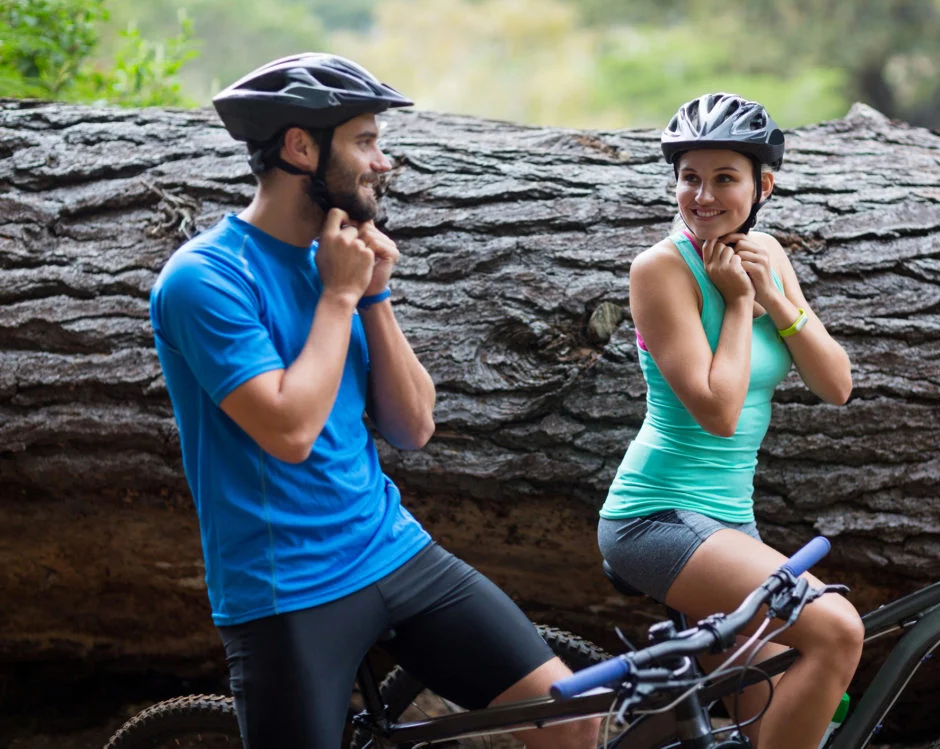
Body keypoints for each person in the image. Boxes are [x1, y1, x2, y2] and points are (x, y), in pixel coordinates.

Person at [149, 53, 597, 749]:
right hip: (287, 588)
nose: (382, 162)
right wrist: (337, 296)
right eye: (364, 140)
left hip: (390, 549)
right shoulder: (204, 280)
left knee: (571, 718)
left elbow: (413, 425)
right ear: (301, 147)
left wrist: (375, 295)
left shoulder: (341, 260)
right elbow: (291, 431)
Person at [597, 92, 864, 749]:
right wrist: (742, 305)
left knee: (771, 705)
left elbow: (836, 384)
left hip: (729, 519)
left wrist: (776, 296)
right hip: (654, 515)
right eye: (690, 178)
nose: (703, 196)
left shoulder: (767, 253)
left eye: (725, 178)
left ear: (762, 184)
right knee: (836, 628)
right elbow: (717, 411)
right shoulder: (661, 268)